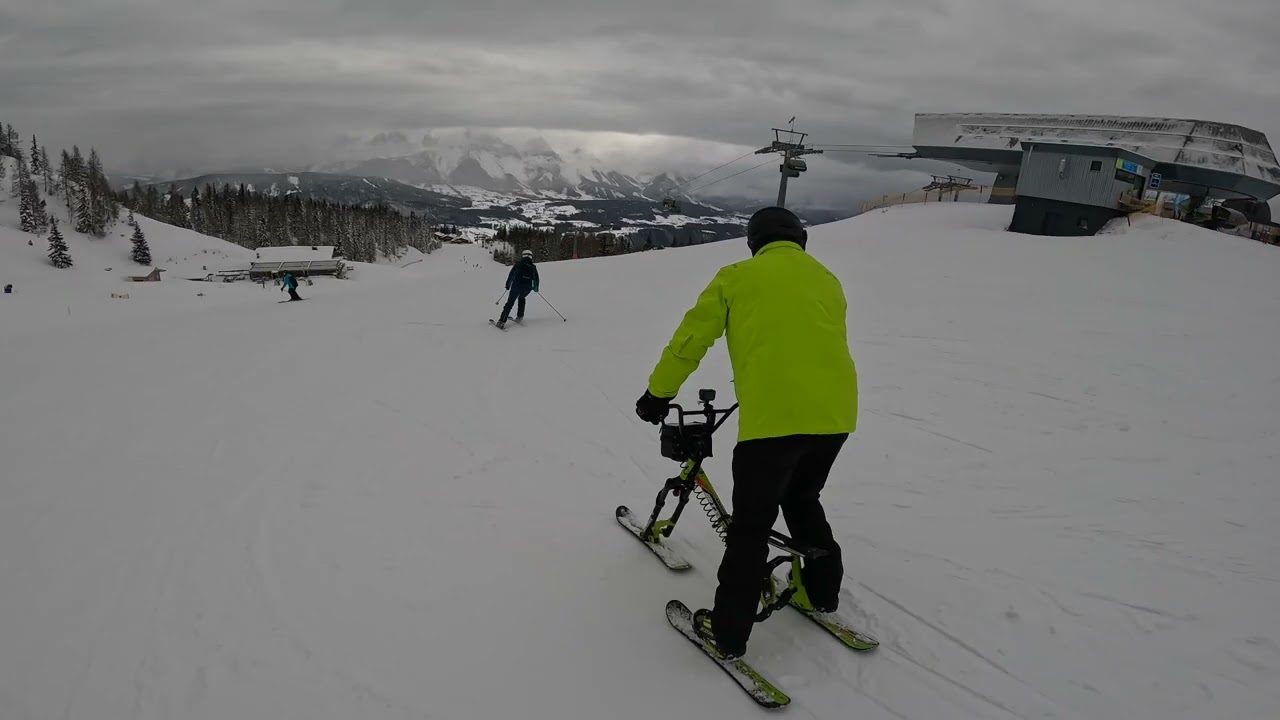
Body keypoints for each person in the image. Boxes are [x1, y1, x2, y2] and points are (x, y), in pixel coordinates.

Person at [635, 206, 858, 661]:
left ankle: (729, 635)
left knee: (750, 529)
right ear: (801, 240)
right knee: (802, 498)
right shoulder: (827, 279)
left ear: (753, 242)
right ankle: (822, 595)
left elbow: (690, 341)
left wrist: (657, 396)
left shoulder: (737, 276)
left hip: (774, 424)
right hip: (836, 417)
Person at [496, 250, 539, 328]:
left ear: (523, 255)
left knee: (510, 302)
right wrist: (535, 288)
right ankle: (520, 316)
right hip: (527, 288)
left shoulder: (518, 264)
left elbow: (512, 275)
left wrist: (508, 285)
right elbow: (536, 279)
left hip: (516, 286)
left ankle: (502, 321)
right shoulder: (533, 266)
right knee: (522, 298)